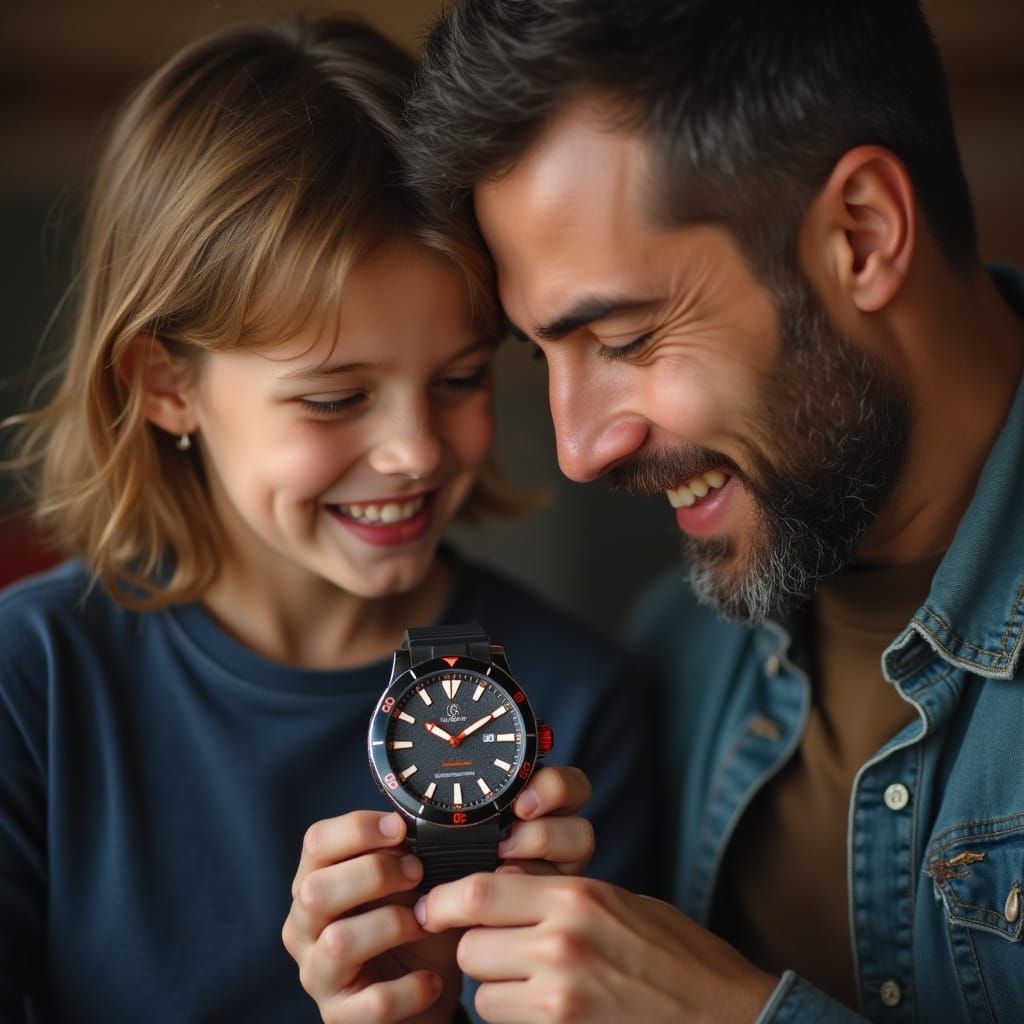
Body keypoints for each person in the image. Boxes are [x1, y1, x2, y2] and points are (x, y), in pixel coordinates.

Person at [0, 14, 654, 1023]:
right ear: (167, 384)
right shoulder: (32, 685)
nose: (418, 451)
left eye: (460, 377)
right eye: (334, 397)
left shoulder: (577, 703)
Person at [403, 1, 1024, 1021]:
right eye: (539, 357)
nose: (576, 448)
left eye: (624, 338)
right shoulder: (665, 660)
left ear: (861, 236)